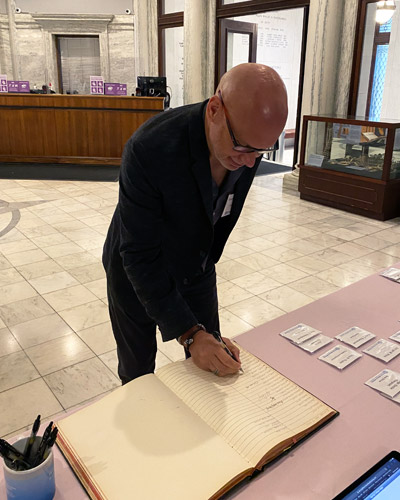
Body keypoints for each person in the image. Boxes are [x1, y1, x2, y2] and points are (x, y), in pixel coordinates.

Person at [103, 63, 288, 384]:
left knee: (213, 357)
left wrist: (201, 335)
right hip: (136, 271)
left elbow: (218, 213)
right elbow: (139, 255)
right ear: (215, 109)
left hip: (197, 264)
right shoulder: (150, 148)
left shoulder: (246, 145)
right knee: (137, 371)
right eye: (243, 147)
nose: (248, 162)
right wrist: (188, 333)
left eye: (260, 152)